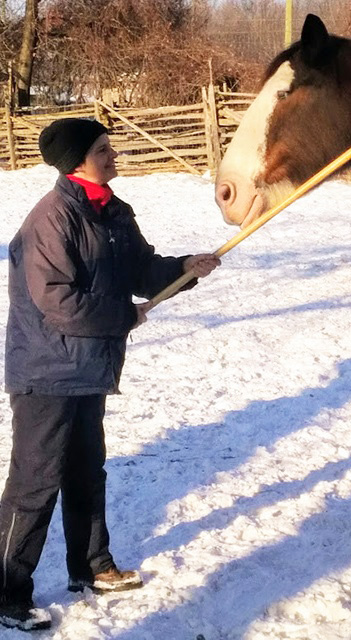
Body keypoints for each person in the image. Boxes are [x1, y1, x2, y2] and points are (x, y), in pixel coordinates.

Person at [0, 117, 220, 631]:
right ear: (78, 162)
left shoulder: (112, 212)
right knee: (35, 482)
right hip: (47, 370)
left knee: (86, 471)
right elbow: (58, 301)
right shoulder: (51, 219)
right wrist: (124, 314)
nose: (114, 156)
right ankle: (7, 592)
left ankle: (92, 568)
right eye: (103, 150)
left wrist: (186, 268)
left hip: (87, 367)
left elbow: (141, 270)